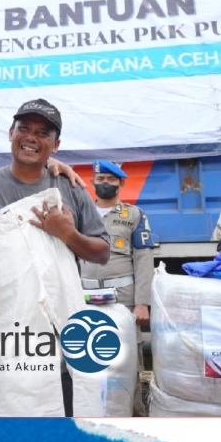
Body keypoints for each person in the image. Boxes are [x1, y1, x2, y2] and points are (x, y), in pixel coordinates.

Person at [0, 99, 110, 417]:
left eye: (43, 133)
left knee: (64, 414)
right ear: (10, 133)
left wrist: (68, 234)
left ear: (56, 145)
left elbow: (103, 252)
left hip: (61, 334)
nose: (31, 138)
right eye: (24, 128)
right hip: (9, 330)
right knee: (10, 412)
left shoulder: (69, 187)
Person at [79, 160, 154, 417]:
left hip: (123, 301)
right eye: (101, 179)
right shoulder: (80, 214)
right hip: (85, 299)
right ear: (92, 182)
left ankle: (134, 417)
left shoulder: (134, 215)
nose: (105, 184)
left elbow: (143, 260)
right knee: (87, 358)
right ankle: (90, 415)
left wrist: (142, 303)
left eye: (112, 180)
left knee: (128, 362)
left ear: (121, 183)